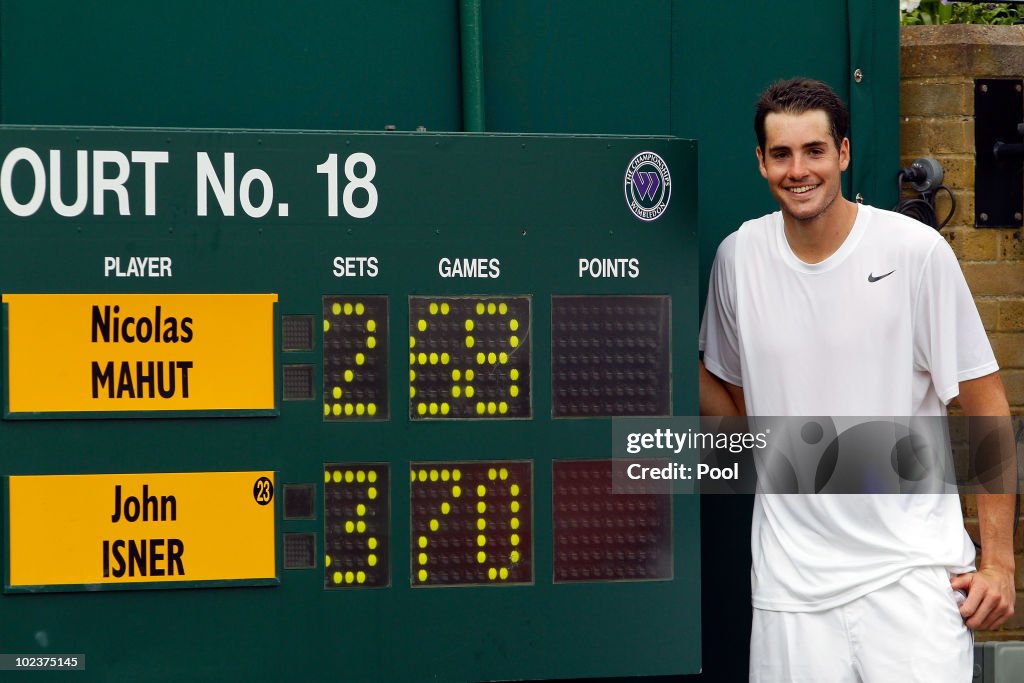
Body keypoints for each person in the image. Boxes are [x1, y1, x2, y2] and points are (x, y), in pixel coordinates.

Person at [699, 77, 1015, 682]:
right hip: (790, 594)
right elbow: (739, 418)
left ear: (842, 153)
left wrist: (999, 561)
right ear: (761, 161)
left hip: (911, 582)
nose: (800, 170)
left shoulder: (915, 252)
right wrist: (658, 361)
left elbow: (984, 401)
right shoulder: (738, 259)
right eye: (783, 154)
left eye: (814, 150)